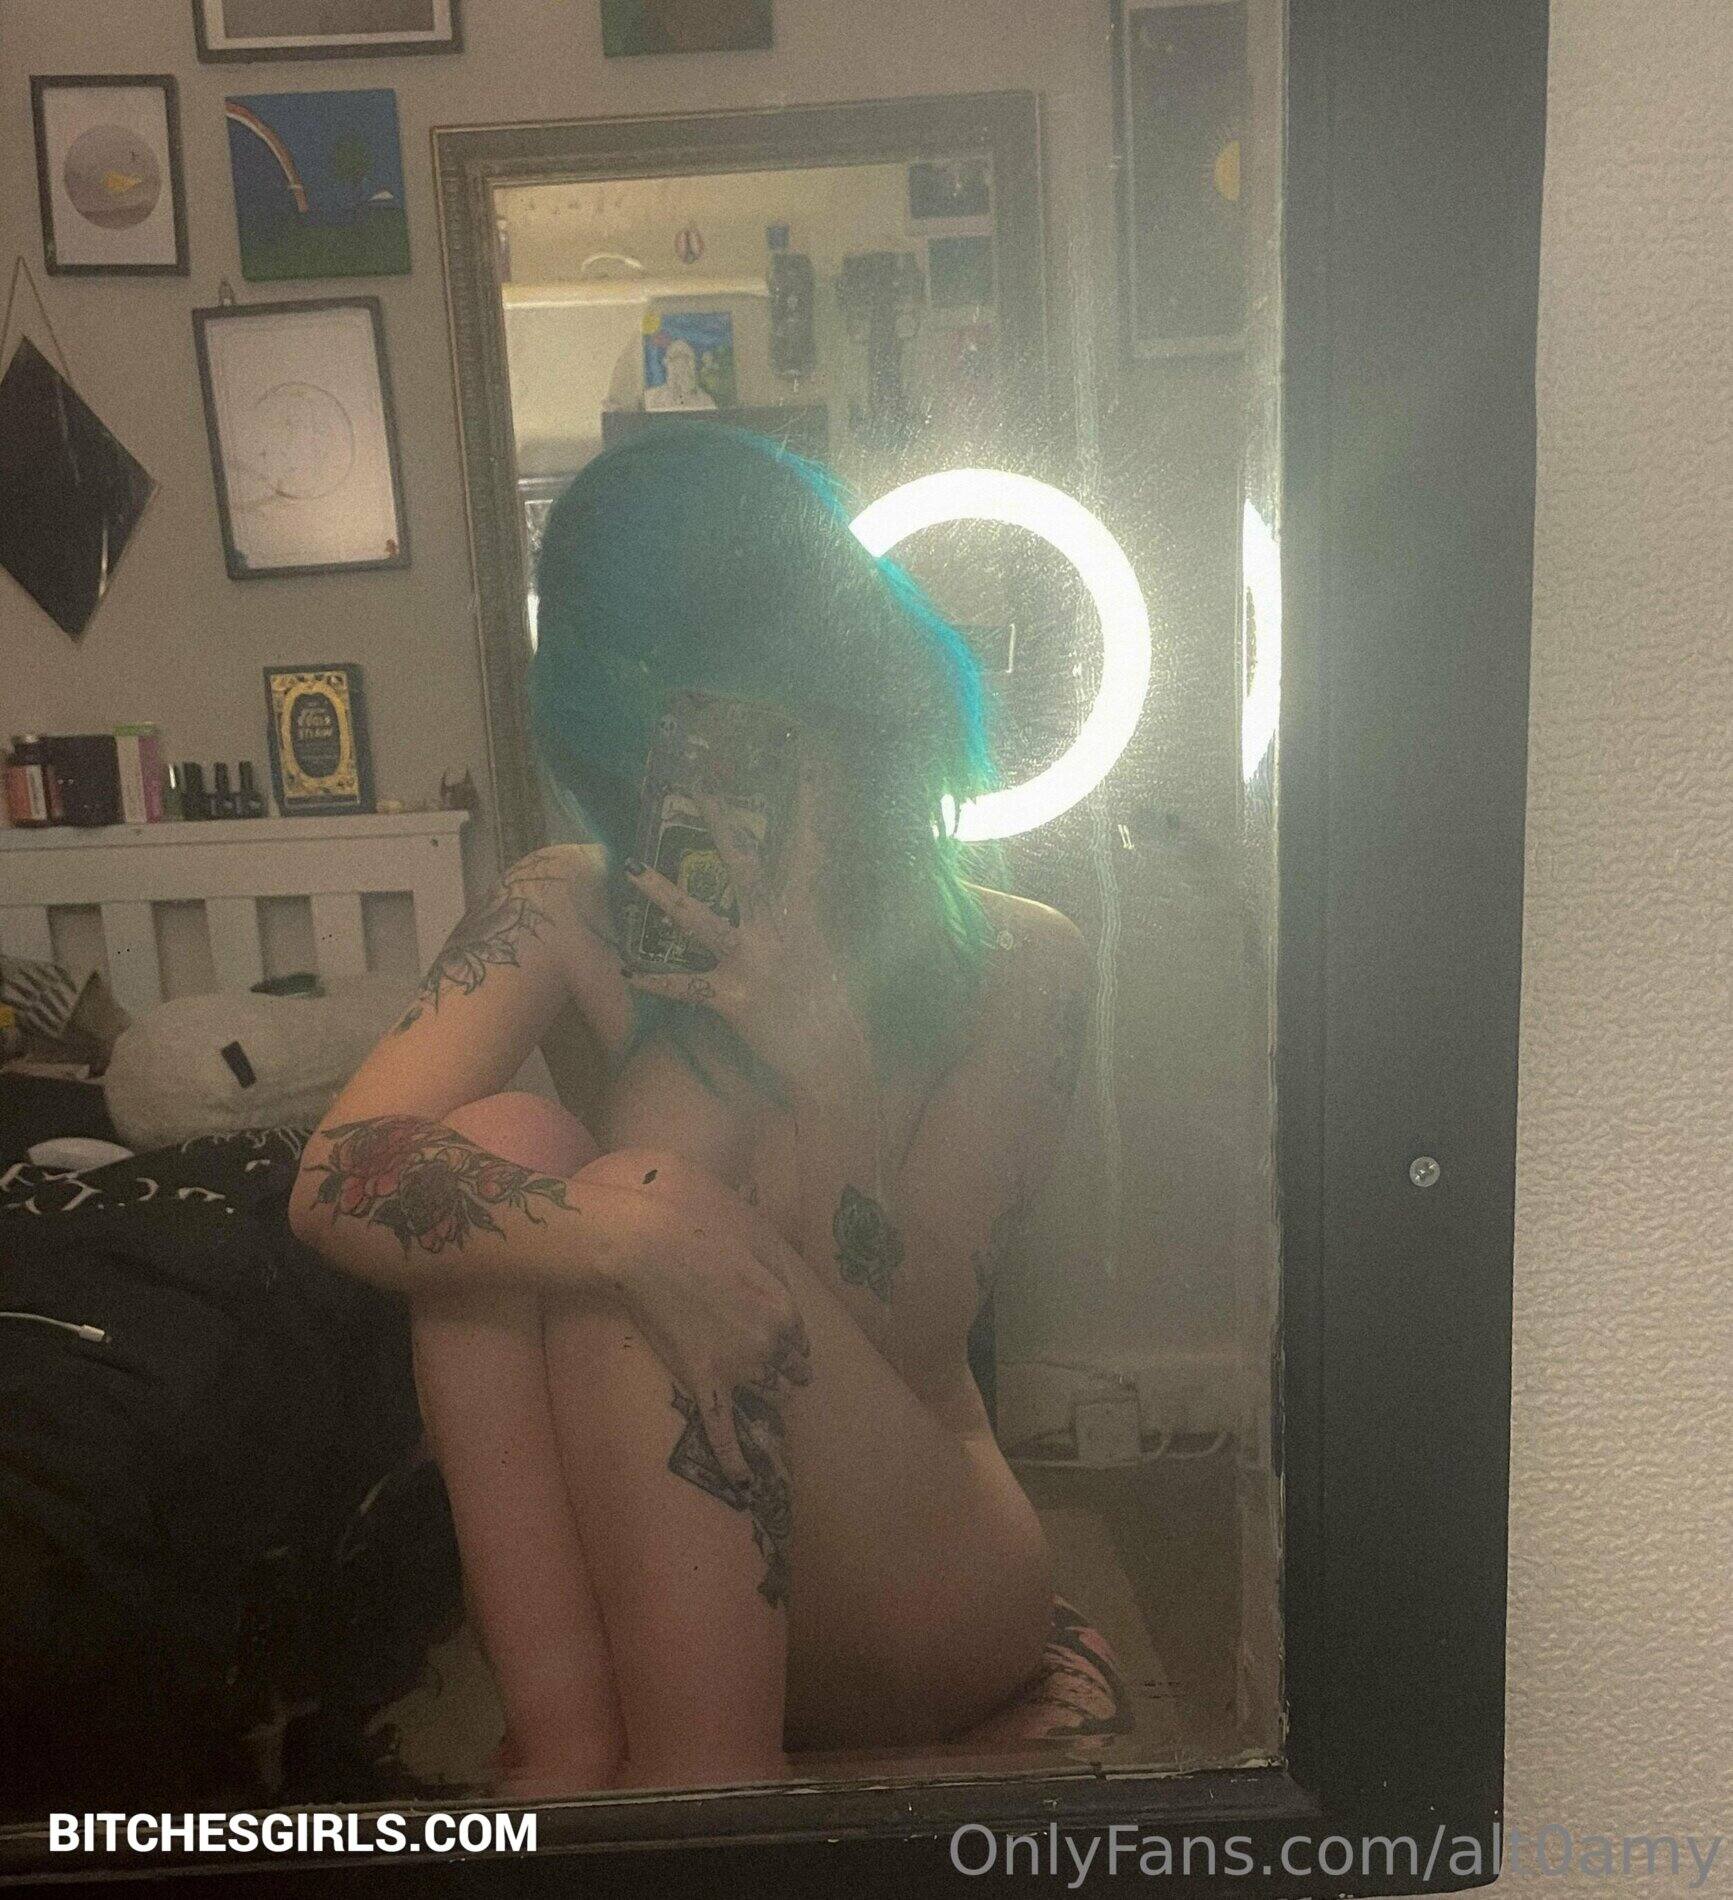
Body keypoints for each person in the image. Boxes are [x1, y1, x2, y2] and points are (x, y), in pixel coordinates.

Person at [289, 427, 1090, 1795]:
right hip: (663, 1578)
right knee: (508, 1161)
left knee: (652, 1222)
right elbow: (332, 1180)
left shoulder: (1020, 959)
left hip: (921, 1564)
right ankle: (569, 1741)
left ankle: (698, 1791)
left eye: (756, 723)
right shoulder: (568, 906)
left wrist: (826, 1061)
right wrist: (620, 1236)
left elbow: (912, 1344)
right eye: (665, 728)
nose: (717, 779)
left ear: (845, 688)